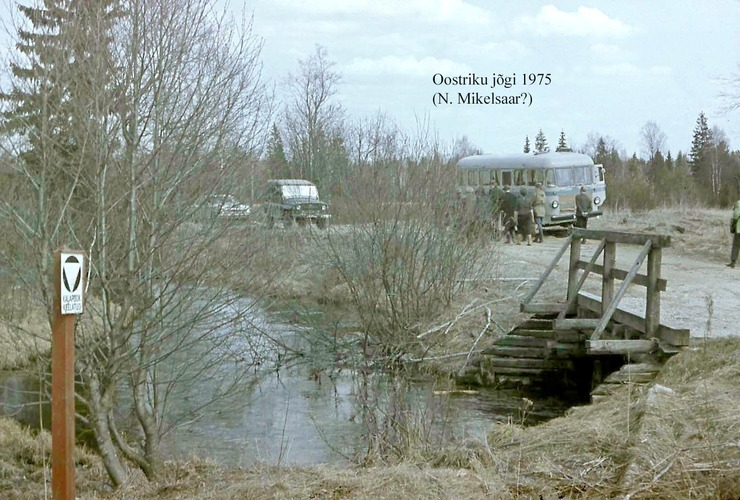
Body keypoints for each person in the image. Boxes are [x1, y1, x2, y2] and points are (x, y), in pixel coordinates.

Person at [728, 199, 740, 268]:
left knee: (736, 245)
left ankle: (733, 262)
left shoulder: (739, 203)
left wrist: (734, 224)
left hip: (739, 229)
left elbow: (735, 215)